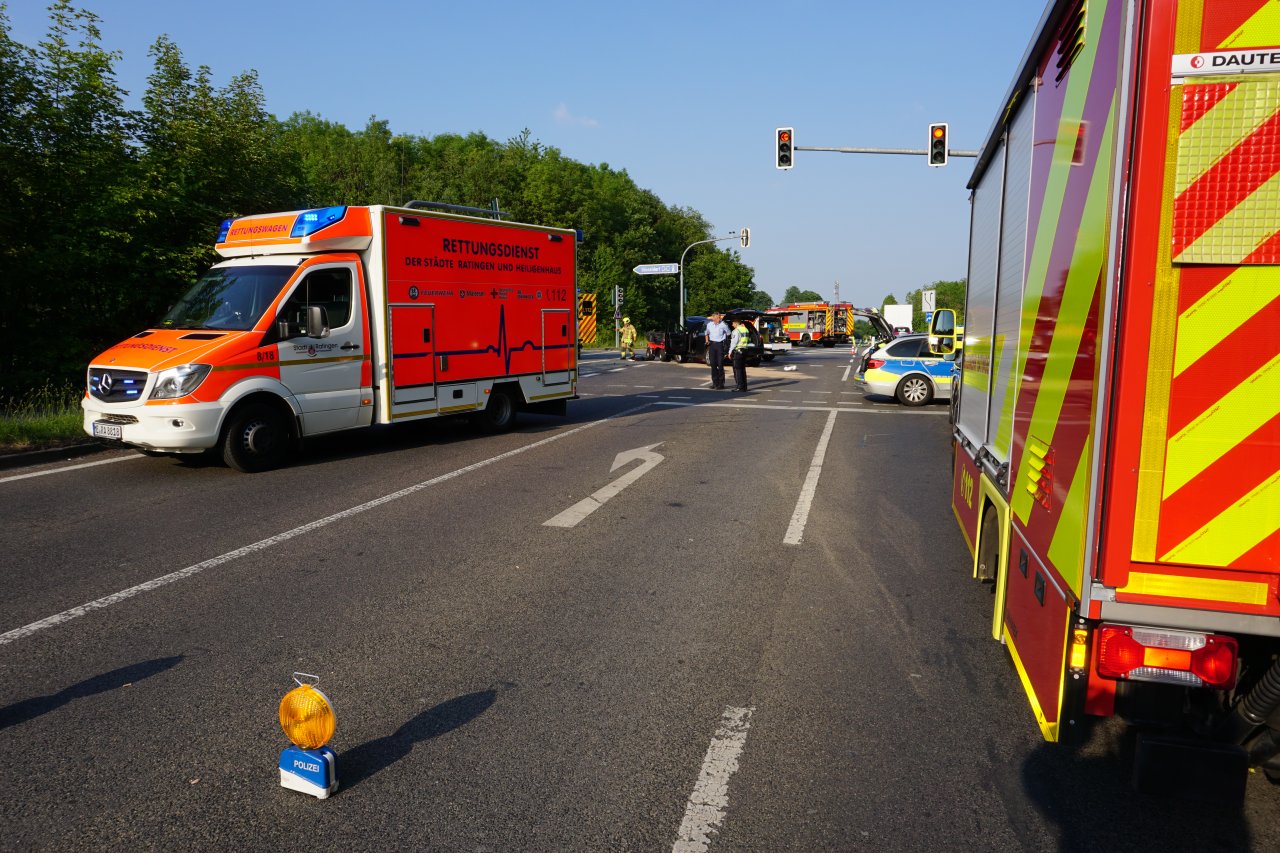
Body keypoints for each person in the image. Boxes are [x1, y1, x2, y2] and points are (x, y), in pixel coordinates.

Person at [704, 310, 730, 389]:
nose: (719, 318)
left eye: (719, 317)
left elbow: (728, 333)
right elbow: (706, 333)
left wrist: (725, 341)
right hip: (712, 345)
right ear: (713, 318)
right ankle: (715, 383)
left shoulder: (723, 325)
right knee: (713, 364)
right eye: (718, 317)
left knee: (720, 364)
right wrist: (707, 340)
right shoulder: (709, 325)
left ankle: (721, 384)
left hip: (719, 345)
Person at [729, 317, 751, 392]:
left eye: (733, 323)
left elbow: (734, 342)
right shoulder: (746, 329)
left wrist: (730, 352)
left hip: (738, 351)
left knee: (737, 370)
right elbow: (748, 340)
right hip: (745, 350)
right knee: (742, 369)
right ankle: (744, 387)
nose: (732, 325)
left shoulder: (736, 331)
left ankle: (739, 387)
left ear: (736, 323)